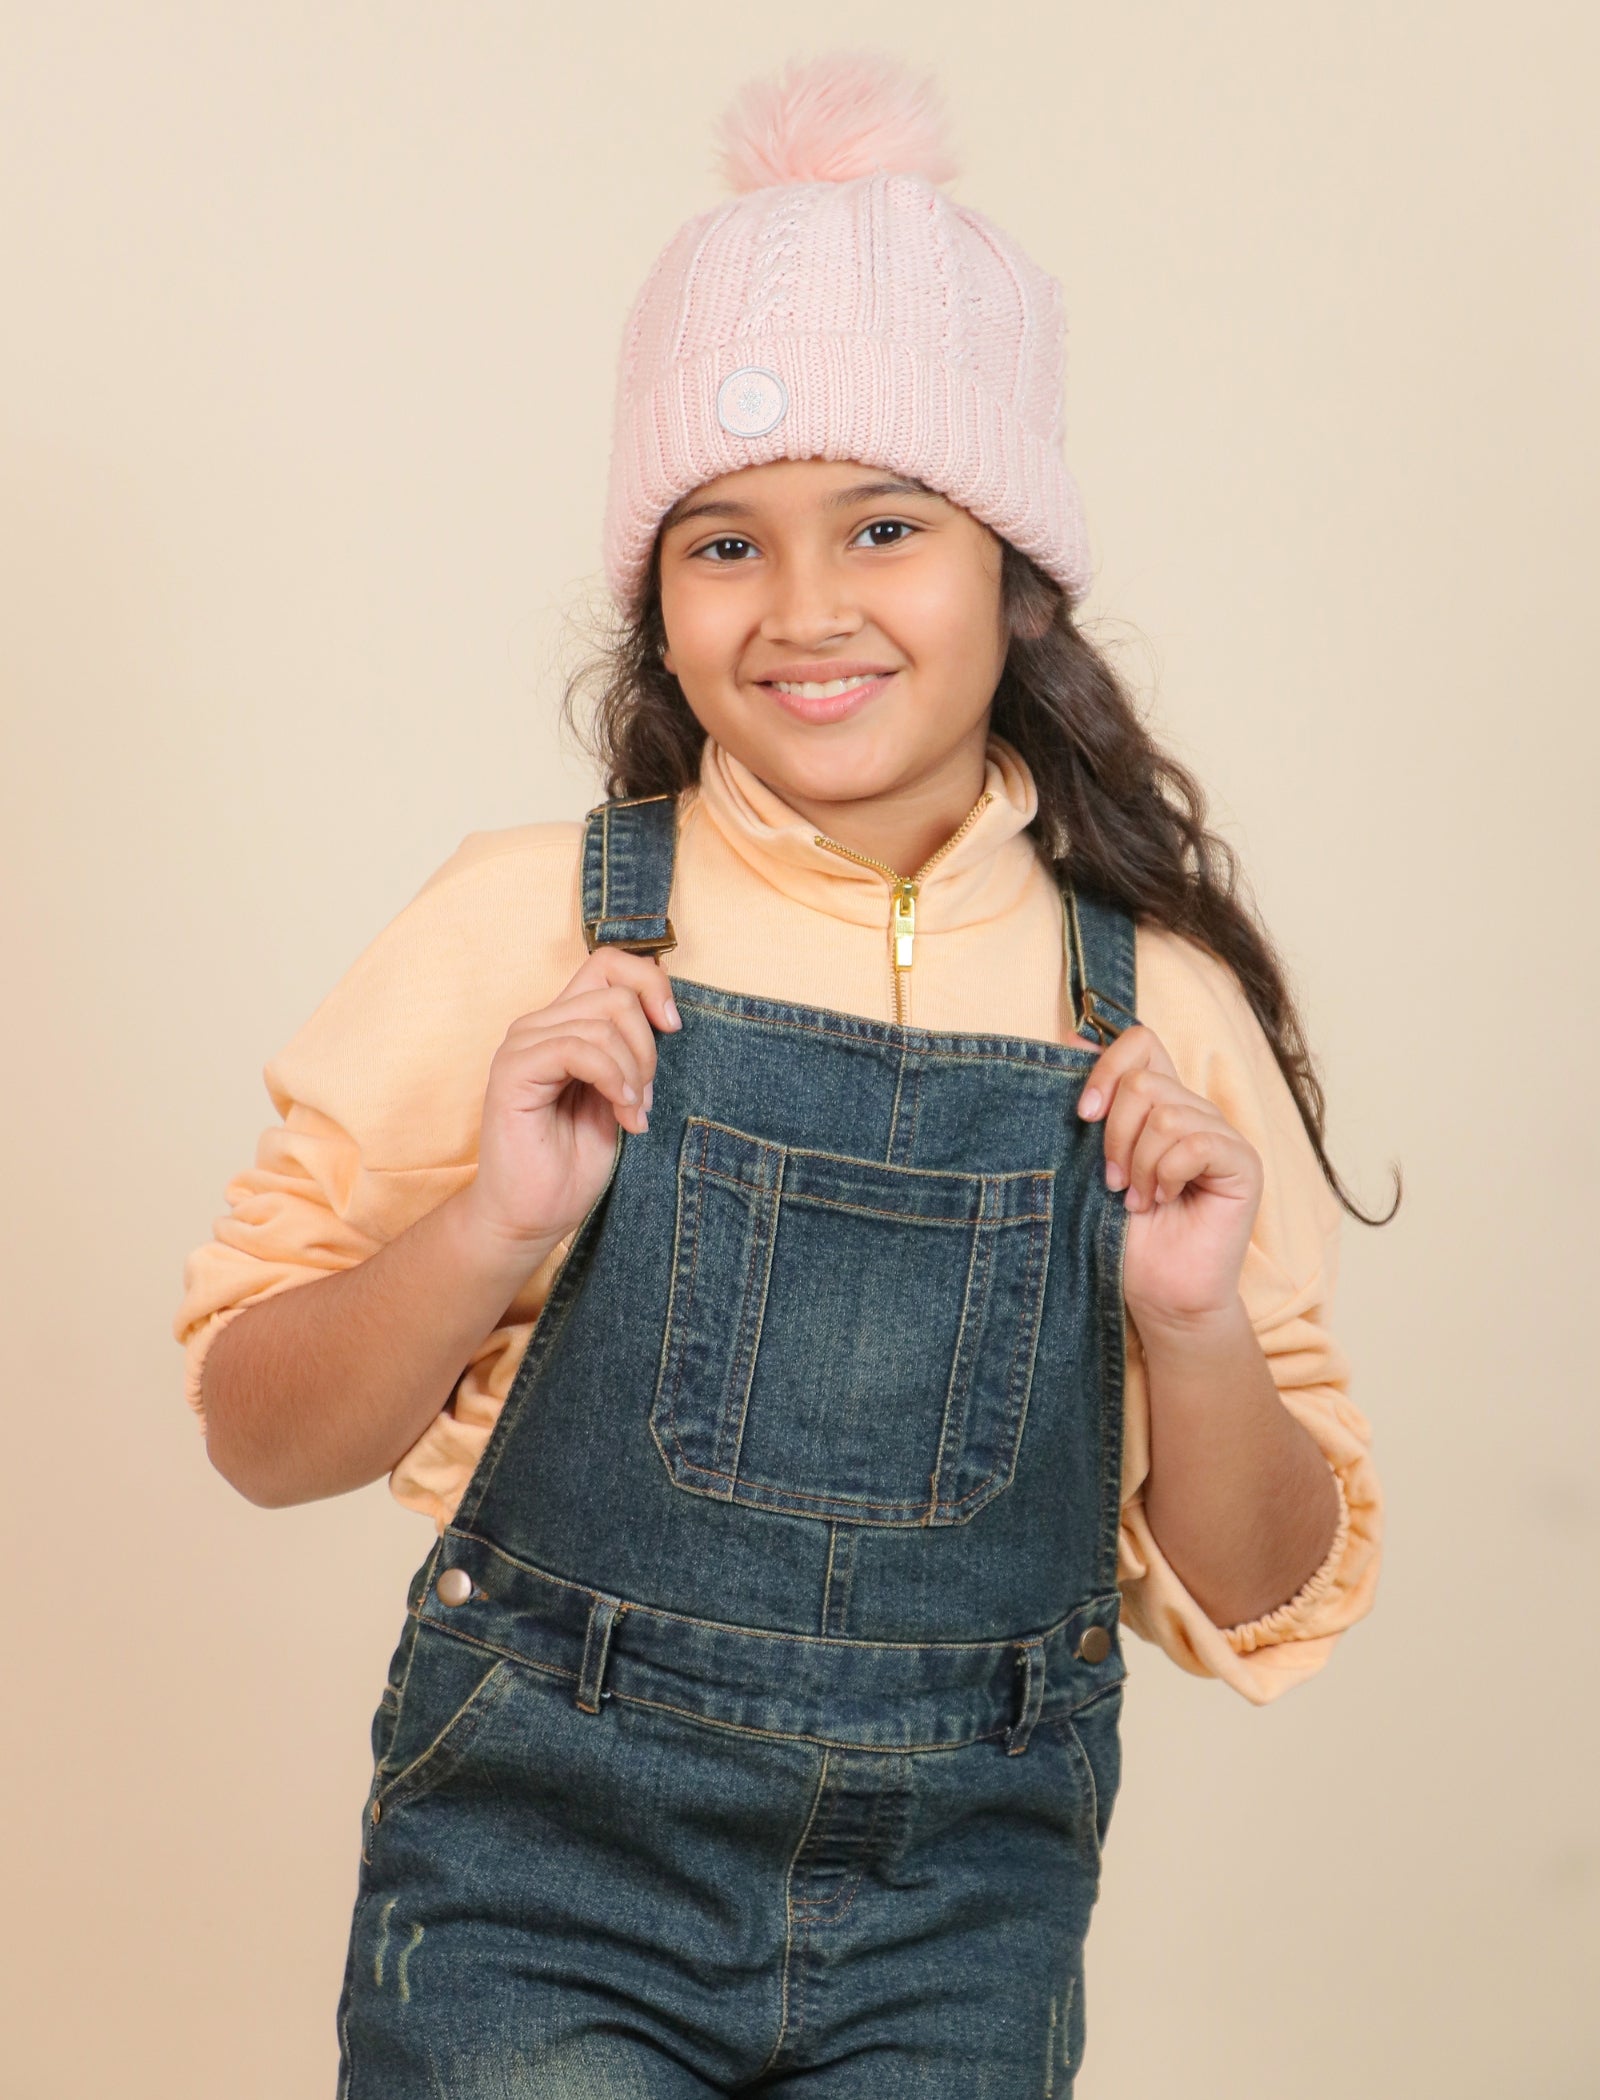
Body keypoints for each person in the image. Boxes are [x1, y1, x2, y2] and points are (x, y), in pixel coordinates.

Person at [175, 48, 1388, 2096]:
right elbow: (258, 1437)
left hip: (962, 1920)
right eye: (721, 543)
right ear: (655, 599)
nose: (805, 610)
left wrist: (1189, 1328)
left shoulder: (1148, 1011)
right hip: (536, 1892)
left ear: (1014, 575)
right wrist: (489, 1228)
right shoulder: (526, 922)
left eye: (884, 524)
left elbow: (1257, 1585)